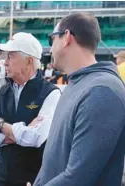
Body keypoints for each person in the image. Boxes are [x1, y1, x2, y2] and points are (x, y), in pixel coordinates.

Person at [31, 13, 125, 186]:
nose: (50, 49)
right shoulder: (81, 83)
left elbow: (78, 177)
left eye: (52, 39)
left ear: (66, 37)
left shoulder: (101, 91)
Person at [0, 32, 61, 186]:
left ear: (29, 61)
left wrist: (0, 125)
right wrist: (21, 131)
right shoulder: (3, 91)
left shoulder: (51, 93)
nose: (5, 62)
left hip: (34, 179)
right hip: (3, 176)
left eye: (10, 56)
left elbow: (36, 137)